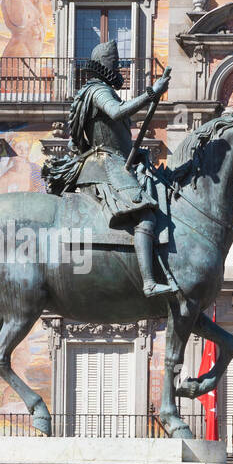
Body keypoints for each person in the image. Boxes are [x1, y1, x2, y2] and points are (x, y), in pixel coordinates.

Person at [42, 40, 175, 298]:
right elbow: (116, 112)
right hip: (105, 164)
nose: (119, 69)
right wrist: (151, 93)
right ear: (104, 65)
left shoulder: (94, 91)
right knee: (144, 215)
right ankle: (148, 282)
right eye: (115, 64)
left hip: (113, 160)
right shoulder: (98, 91)